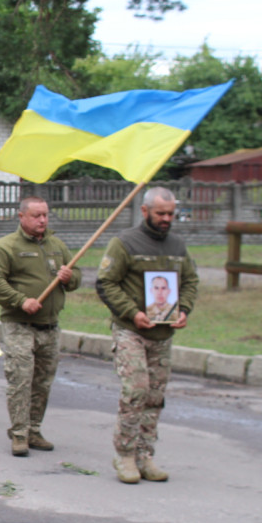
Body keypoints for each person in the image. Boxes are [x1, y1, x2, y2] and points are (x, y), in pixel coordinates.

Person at [97, 186, 199, 484]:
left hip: (163, 334)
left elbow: (191, 281)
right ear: (145, 212)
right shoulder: (125, 243)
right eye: (161, 213)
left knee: (155, 396)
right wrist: (132, 313)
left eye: (171, 213)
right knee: (137, 390)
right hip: (131, 331)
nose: (167, 219)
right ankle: (125, 454)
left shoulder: (178, 246)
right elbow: (106, 283)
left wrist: (184, 309)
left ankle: (145, 455)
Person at [0, 196, 80, 456]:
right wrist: (20, 300)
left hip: (49, 325)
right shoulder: (7, 246)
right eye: (37, 216)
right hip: (19, 324)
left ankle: (34, 428)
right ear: (22, 216)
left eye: (45, 215)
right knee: (20, 379)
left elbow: (76, 277)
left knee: (42, 381)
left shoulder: (57, 245)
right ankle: (18, 432)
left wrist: (70, 277)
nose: (42, 220)